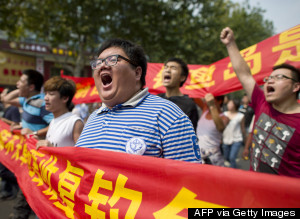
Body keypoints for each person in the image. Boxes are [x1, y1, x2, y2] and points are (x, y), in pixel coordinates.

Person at [75, 38, 201, 163]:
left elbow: (189, 178)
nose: (102, 66)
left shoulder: (168, 115)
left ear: (137, 73)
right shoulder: (93, 119)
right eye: (98, 63)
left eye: (112, 60)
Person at [221, 27, 300, 177]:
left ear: (295, 86)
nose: (270, 80)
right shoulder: (261, 102)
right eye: (269, 78)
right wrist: (230, 44)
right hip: (255, 192)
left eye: (279, 77)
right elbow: (244, 75)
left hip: (287, 199)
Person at [1, 69, 54, 219]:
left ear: (31, 87)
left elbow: (54, 124)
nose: (17, 84)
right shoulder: (26, 101)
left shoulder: (42, 102)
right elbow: (5, 100)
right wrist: (18, 124)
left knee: (28, 198)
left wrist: (34, 134)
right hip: (27, 157)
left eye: (21, 81)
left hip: (38, 159)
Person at [36, 76, 84, 149]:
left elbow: (82, 153)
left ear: (65, 98)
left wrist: (52, 148)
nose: (45, 98)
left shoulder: (75, 122)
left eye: (51, 94)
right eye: (46, 94)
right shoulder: (53, 121)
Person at [157, 57, 199, 130]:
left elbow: (190, 136)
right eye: (166, 67)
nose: (168, 70)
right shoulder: (156, 100)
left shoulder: (189, 105)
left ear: (182, 77)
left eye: (173, 68)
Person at [194, 93, 229, 166]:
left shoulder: (224, 118)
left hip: (214, 157)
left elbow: (220, 127)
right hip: (199, 154)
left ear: (220, 101)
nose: (207, 102)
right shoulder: (205, 110)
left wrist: (212, 105)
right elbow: (194, 95)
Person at [0, 88, 21, 200]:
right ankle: (11, 192)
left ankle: (20, 184)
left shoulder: (13, 109)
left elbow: (16, 124)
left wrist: (2, 120)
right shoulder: (5, 109)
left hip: (11, 145)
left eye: (4, 93)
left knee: (4, 171)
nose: (1, 95)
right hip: (4, 145)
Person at [222, 99, 244, 168]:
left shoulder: (240, 116)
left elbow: (242, 129)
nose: (229, 105)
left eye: (231, 103)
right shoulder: (224, 114)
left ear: (235, 105)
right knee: (226, 157)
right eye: (228, 103)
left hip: (236, 139)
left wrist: (246, 144)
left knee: (232, 157)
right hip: (226, 139)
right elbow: (221, 127)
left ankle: (233, 174)